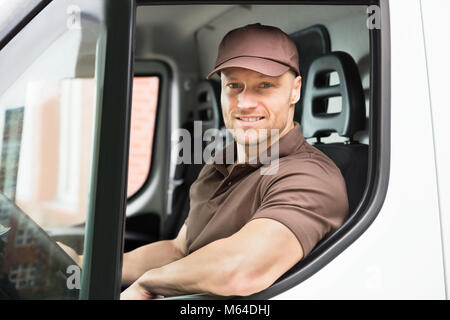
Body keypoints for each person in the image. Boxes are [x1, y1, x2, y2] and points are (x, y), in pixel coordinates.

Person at [60, 23, 349, 300]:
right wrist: (83, 265)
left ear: (295, 90)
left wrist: (149, 283)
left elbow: (240, 269)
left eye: (264, 85)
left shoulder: (310, 177)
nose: (245, 102)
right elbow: (180, 249)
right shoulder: (220, 161)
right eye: (234, 85)